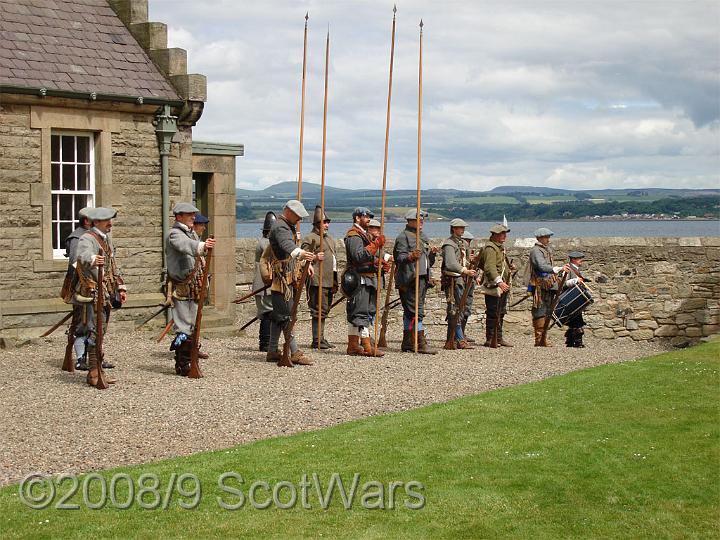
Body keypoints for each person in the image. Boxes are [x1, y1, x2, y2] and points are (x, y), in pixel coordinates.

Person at [74, 207, 128, 385]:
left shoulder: (107, 240)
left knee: (101, 331)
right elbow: (81, 256)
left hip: (106, 292)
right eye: (107, 221)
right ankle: (93, 373)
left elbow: (113, 265)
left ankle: (98, 370)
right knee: (94, 330)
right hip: (93, 292)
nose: (110, 224)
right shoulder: (87, 238)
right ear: (96, 222)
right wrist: (92, 259)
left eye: (110, 220)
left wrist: (120, 287)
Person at [266, 200, 321, 366]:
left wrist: (305, 263)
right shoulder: (280, 227)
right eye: (297, 216)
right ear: (288, 211)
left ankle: (272, 350)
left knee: (278, 316)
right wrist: (302, 254)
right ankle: (295, 352)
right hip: (281, 279)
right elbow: (287, 245)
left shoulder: (286, 225)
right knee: (286, 316)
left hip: (287, 276)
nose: (299, 220)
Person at [165, 203, 216, 376]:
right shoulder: (174, 234)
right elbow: (185, 245)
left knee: (192, 325)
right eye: (189, 215)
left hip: (193, 286)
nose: (193, 217)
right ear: (179, 216)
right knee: (184, 327)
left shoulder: (190, 232)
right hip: (182, 287)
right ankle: (183, 364)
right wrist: (201, 247)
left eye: (193, 214)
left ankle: (190, 358)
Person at [393, 209, 437, 354]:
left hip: (422, 278)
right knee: (415, 311)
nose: (422, 222)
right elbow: (399, 258)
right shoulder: (403, 237)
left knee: (410, 312)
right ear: (410, 221)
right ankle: (419, 343)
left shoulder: (422, 237)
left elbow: (426, 262)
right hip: (409, 279)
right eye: (419, 219)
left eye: (422, 219)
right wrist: (410, 256)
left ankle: (408, 343)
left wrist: (432, 255)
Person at [344, 208, 384, 357]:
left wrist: (378, 262)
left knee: (360, 312)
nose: (369, 219)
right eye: (366, 217)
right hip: (358, 279)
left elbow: (367, 258)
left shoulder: (363, 235)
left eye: (369, 217)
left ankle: (353, 345)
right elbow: (359, 257)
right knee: (360, 312)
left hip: (366, 278)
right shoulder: (354, 236)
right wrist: (375, 245)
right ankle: (367, 346)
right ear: (357, 218)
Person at [301, 206, 338, 349]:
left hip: (329, 279)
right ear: (317, 224)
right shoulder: (309, 238)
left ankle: (321, 338)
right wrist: (315, 256)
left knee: (324, 310)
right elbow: (303, 256)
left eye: (327, 222)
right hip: (317, 279)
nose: (327, 224)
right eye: (324, 222)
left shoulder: (329, 239)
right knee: (318, 310)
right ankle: (316, 339)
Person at [62, 207, 92, 370]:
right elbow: (75, 263)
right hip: (82, 287)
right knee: (81, 323)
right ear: (86, 221)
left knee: (96, 323)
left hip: (95, 286)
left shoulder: (96, 236)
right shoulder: (76, 238)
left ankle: (96, 358)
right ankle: (80, 358)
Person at [528, 227, 569, 347]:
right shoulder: (536, 251)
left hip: (549, 284)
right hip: (540, 285)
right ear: (540, 238)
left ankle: (543, 338)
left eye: (548, 237)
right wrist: (556, 269)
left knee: (547, 311)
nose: (548, 239)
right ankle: (539, 339)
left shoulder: (545, 250)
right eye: (546, 237)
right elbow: (541, 266)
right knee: (540, 311)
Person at [441, 218, 476, 349]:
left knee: (460, 309)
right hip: (453, 281)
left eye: (463, 228)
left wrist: (470, 266)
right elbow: (450, 263)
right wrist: (464, 270)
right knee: (455, 309)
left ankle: (454, 339)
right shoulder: (449, 244)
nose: (462, 230)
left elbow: (464, 260)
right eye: (460, 228)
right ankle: (459, 339)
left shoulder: (462, 243)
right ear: (454, 229)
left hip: (462, 279)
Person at [481, 224, 514, 348]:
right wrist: (499, 281)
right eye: (502, 233)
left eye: (505, 233)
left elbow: (500, 265)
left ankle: (498, 337)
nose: (504, 235)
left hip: (502, 284)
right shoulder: (490, 248)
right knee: (493, 312)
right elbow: (489, 268)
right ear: (494, 235)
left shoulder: (499, 248)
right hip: (494, 285)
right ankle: (491, 338)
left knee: (501, 312)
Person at [254, 212, 276, 351]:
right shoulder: (265, 244)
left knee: (267, 312)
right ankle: (265, 343)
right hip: (264, 282)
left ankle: (265, 342)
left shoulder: (265, 242)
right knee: (267, 312)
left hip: (264, 282)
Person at [560, 251, 589, 347]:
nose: (581, 260)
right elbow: (563, 284)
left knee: (574, 321)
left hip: (575, 300)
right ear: (573, 259)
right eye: (579, 258)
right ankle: (577, 343)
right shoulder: (567, 269)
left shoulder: (576, 269)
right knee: (577, 322)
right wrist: (576, 280)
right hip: (569, 300)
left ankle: (570, 342)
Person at [461, 230, 479, 343]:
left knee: (467, 307)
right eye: (467, 241)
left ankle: (462, 332)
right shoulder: (459, 252)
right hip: (462, 282)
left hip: (469, 282)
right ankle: (458, 334)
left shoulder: (467, 253)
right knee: (461, 307)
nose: (468, 243)